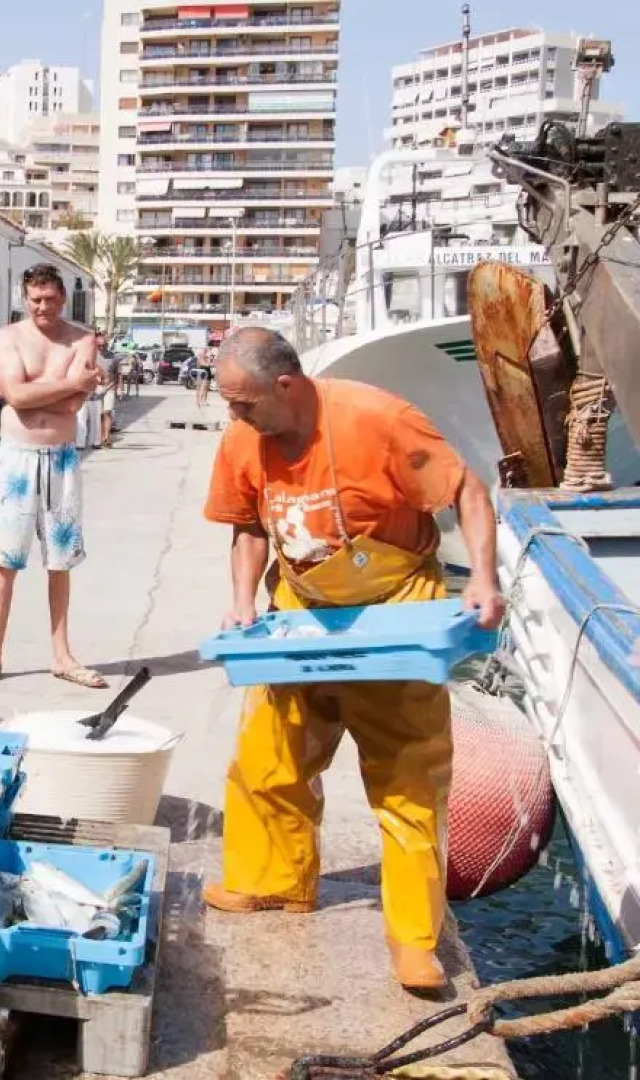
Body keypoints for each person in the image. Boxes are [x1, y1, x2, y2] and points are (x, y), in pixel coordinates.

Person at [203, 327, 505, 993]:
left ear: (286, 385)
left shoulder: (379, 417)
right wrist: (242, 601)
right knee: (268, 757)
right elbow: (248, 525)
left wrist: (483, 578)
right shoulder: (241, 439)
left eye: (244, 403)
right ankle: (274, 880)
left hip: (395, 605)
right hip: (301, 606)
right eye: (229, 404)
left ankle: (414, 938)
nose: (235, 415)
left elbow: (466, 491)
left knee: (408, 777)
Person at [0, 264, 105, 691]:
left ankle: (62, 655)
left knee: (60, 561)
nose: (43, 306)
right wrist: (67, 383)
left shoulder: (82, 339)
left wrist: (25, 392)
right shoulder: (8, 337)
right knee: (5, 561)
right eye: (35, 299)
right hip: (17, 459)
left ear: (62, 297)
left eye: (50, 298)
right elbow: (20, 395)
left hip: (61, 458)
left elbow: (70, 407)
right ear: (25, 300)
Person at [96, 330, 120, 448]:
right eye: (99, 346)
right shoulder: (92, 356)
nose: (101, 348)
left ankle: (107, 437)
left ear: (107, 345)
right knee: (100, 414)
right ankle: (101, 438)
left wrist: (119, 388)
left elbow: (117, 373)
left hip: (109, 387)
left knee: (107, 412)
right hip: (96, 388)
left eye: (103, 345)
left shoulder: (113, 357)